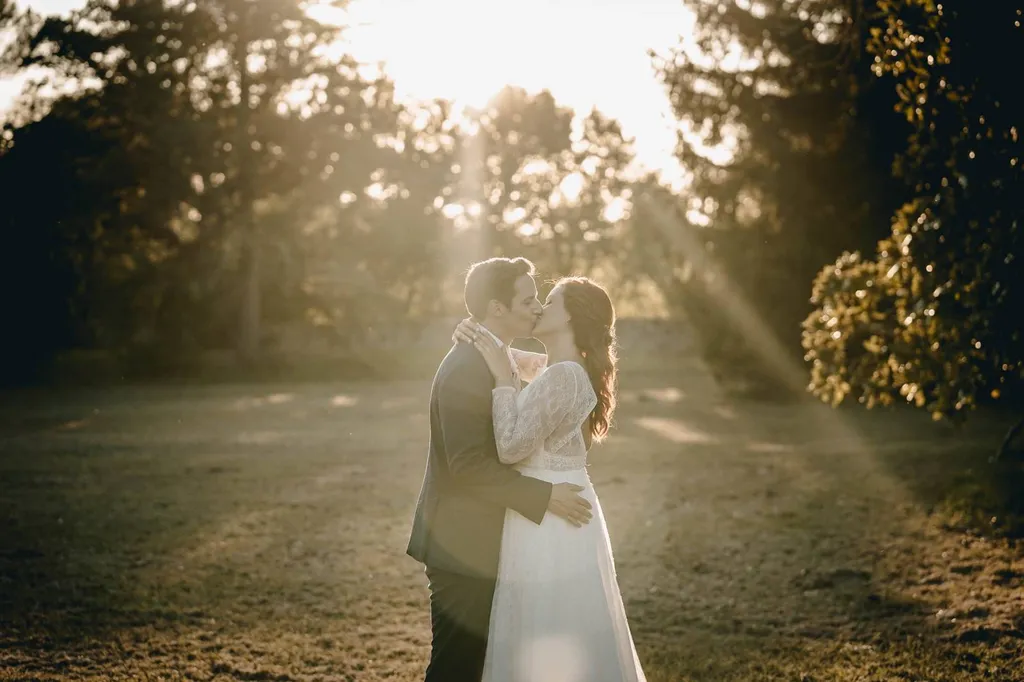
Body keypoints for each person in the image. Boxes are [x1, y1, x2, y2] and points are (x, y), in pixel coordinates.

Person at [406, 257, 594, 682]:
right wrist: (544, 496)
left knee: (482, 664)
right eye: (527, 300)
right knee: (457, 668)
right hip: (461, 544)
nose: (537, 308)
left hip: (485, 540)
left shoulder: (492, 359)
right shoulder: (466, 369)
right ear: (496, 309)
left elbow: (538, 378)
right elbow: (468, 467)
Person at [455, 275, 647, 682]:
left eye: (551, 301)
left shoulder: (564, 376)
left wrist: (504, 385)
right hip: (550, 508)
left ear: (572, 316)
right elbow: (507, 355)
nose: (540, 306)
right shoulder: (557, 369)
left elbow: (509, 447)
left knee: (547, 627)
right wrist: (473, 332)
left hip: (551, 520)